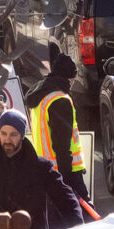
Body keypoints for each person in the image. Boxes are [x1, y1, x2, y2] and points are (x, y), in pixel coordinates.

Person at [26, 49, 88, 201]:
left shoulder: (41, 96)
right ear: (69, 78)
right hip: (65, 171)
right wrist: (66, 176)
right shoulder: (60, 100)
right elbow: (62, 143)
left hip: (45, 169)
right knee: (84, 217)